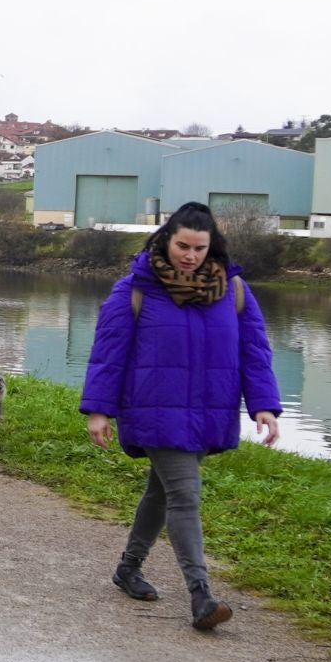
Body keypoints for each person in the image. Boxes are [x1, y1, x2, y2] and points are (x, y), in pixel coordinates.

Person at [81, 201, 279, 631]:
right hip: (153, 409)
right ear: (165, 239)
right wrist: (99, 409)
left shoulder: (235, 289)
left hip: (209, 411)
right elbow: (108, 354)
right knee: (185, 494)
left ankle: (128, 568)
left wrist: (263, 404)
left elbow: (255, 351)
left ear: (213, 246)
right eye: (182, 245)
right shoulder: (134, 289)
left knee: (161, 492)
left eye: (199, 248)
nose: (190, 255)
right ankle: (201, 595)